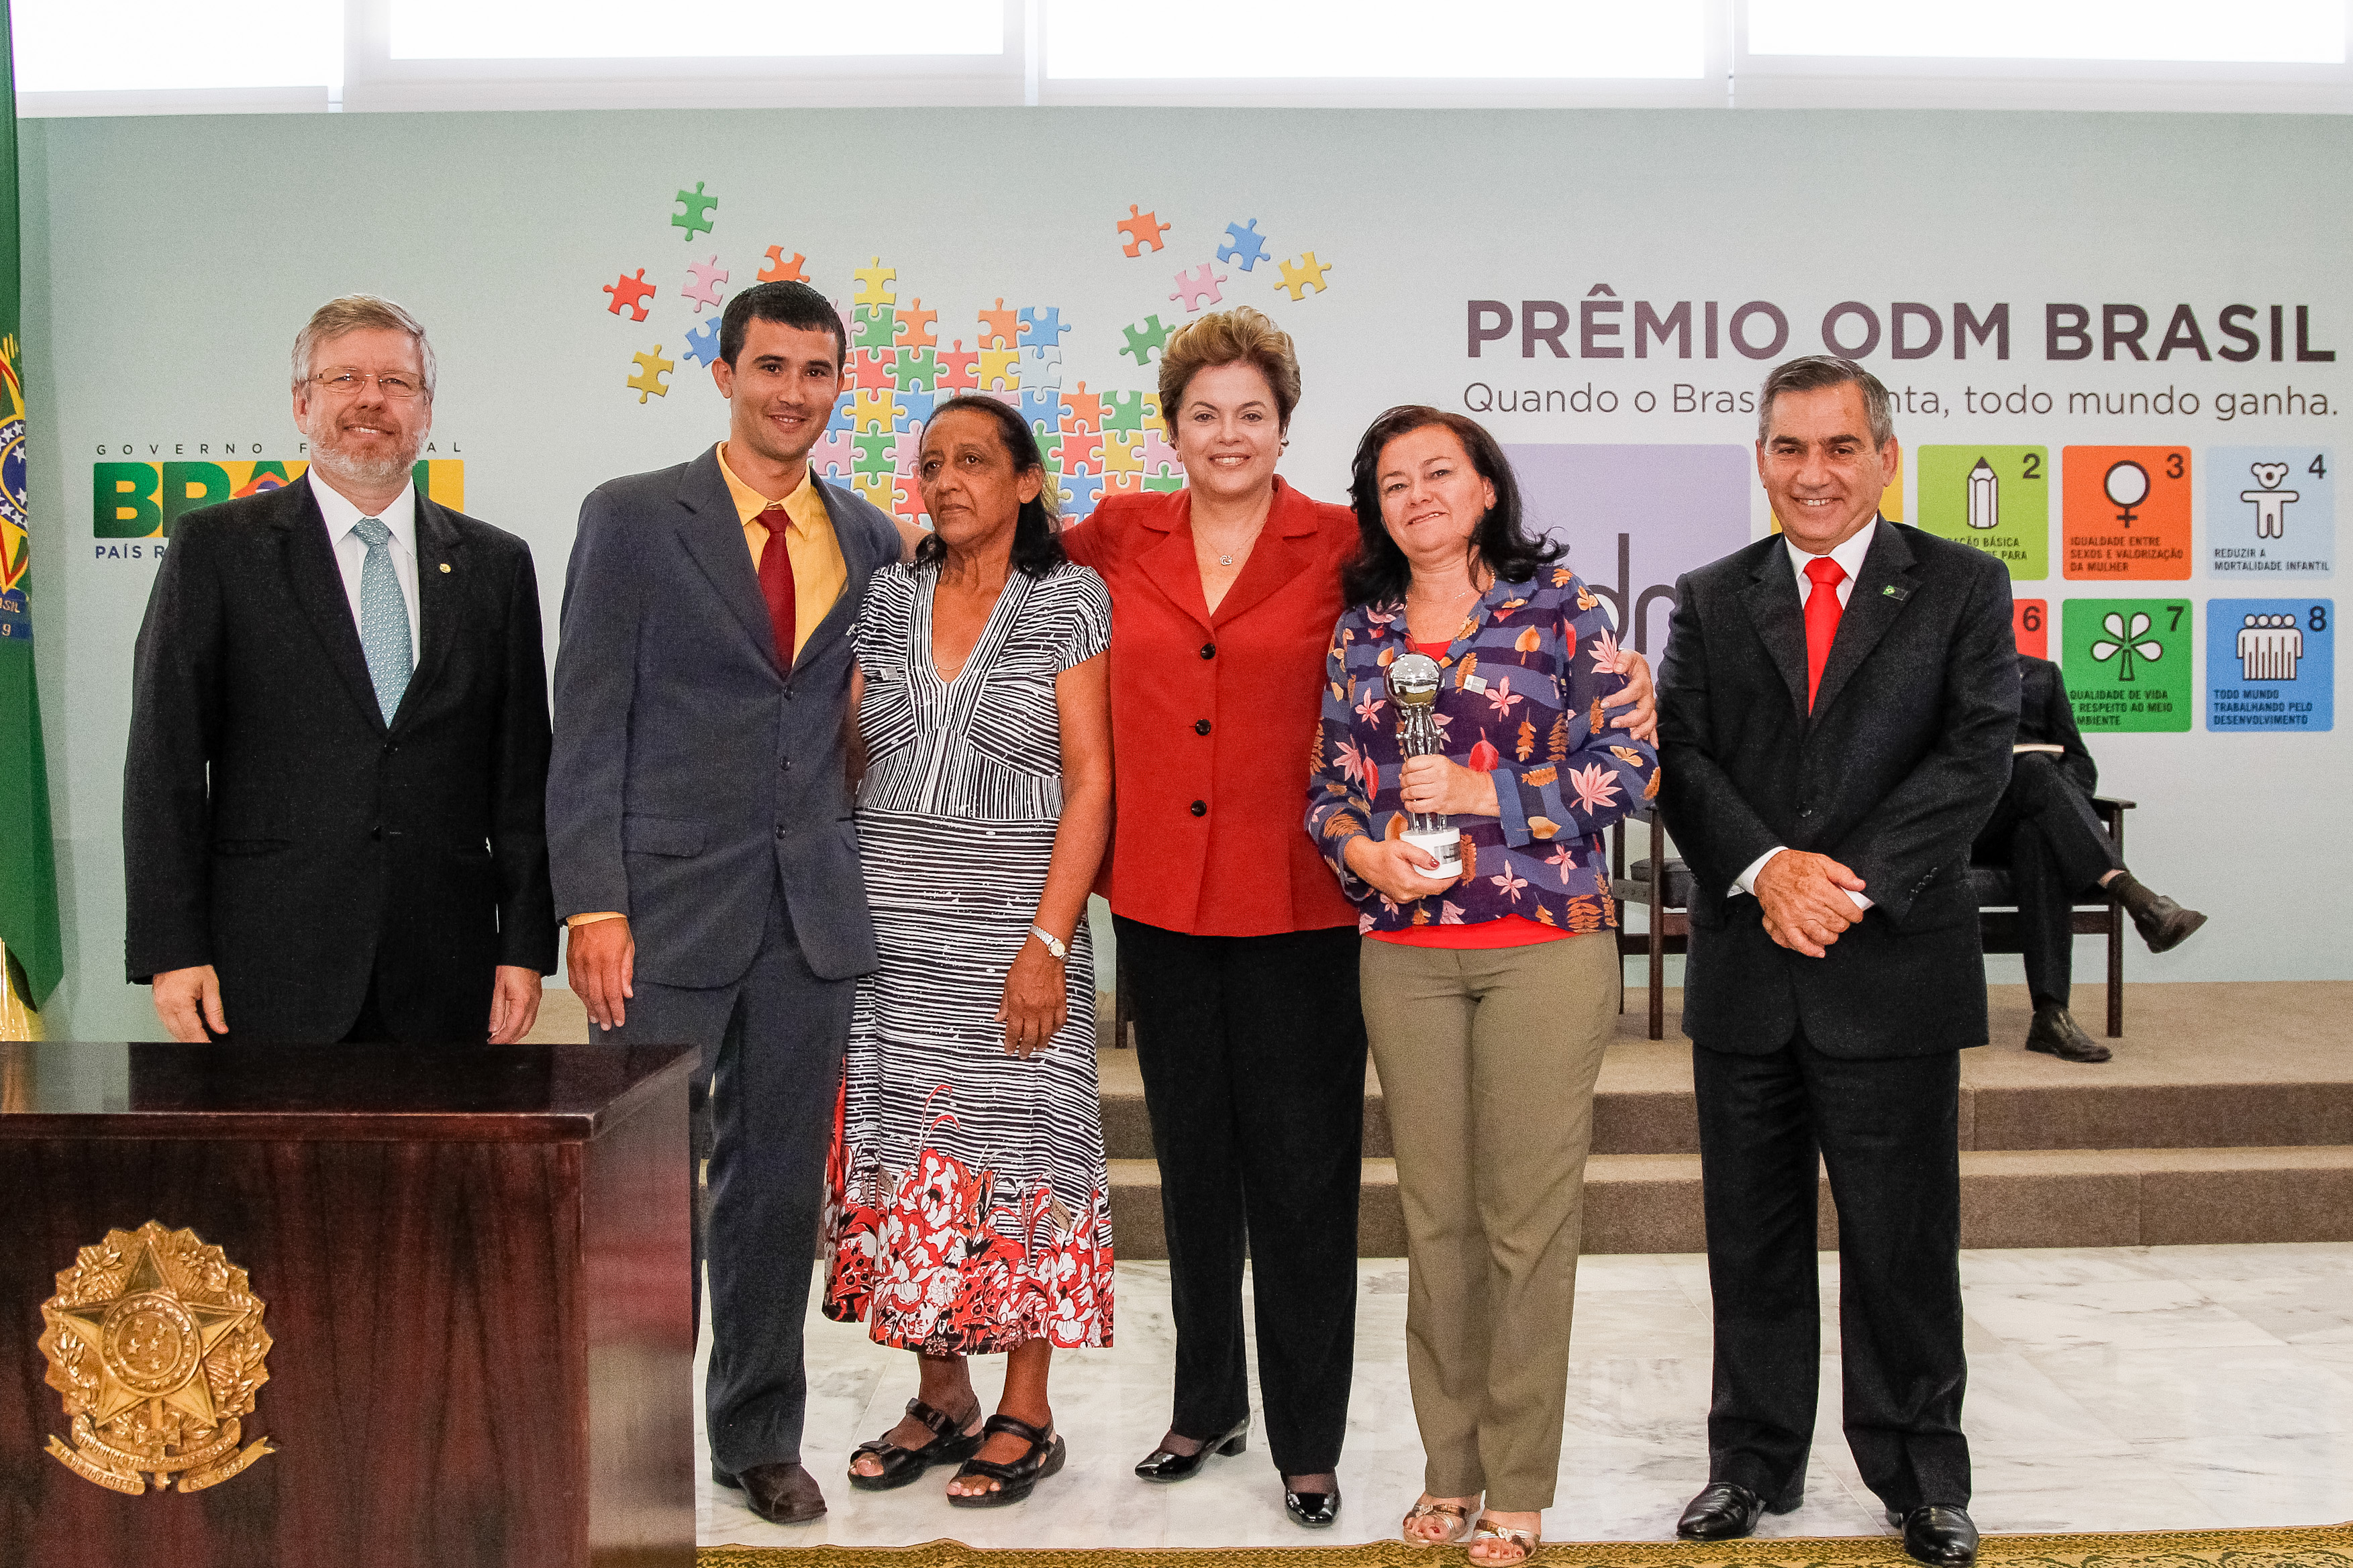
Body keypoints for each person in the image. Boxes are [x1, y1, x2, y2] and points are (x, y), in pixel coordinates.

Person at [1058, 307, 1657, 1530]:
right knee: (1194, 1170)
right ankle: (1205, 1400)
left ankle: (1313, 1438)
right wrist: (906, 539)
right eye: (1203, 413)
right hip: (1178, 895)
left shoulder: (1347, 548)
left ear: (1285, 426)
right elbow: (1007, 557)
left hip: (1311, 909)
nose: (1228, 434)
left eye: (1253, 413)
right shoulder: (1122, 532)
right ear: (1170, 428)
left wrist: (1619, 697)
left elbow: (1616, 747)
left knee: (1307, 1176)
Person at [546, 280, 914, 1527]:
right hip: (661, 914)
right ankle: (631, 1431)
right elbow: (588, 715)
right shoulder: (637, 517)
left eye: (816, 372)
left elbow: (856, 723)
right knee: (645, 1194)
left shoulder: (867, 538)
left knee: (773, 1195)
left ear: (835, 387)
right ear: (723, 372)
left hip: (809, 916)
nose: (792, 393)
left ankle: (756, 1435)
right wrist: (591, 901)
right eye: (770, 367)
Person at [1656, 356, 2017, 1568]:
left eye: (1839, 448)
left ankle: (1923, 1474)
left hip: (1890, 968)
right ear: (1761, 458)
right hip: (1751, 972)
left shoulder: (1963, 586)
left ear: (1884, 456)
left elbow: (1973, 760)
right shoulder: (1708, 597)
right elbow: (1682, 761)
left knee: (1902, 1240)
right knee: (1748, 1238)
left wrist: (1835, 884)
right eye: (1789, 448)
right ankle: (1750, 1463)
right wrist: (1769, 873)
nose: (1814, 473)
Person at [1306, 407, 1658, 1567]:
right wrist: (1361, 852)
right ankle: (1446, 1467)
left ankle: (1518, 1480)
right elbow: (1329, 794)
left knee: (1525, 1225)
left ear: (1486, 488)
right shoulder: (1360, 634)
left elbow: (1627, 771)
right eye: (1393, 481)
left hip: (1542, 947)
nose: (1417, 495)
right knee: (1434, 1220)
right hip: (1404, 955)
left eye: (1438, 472)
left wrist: (1480, 795)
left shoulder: (1563, 613)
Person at [820, 395, 1113, 1507]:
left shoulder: (1067, 599)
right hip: (892, 933)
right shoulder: (885, 597)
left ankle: (1028, 1411)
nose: (948, 479)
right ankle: (942, 1392)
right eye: (932, 461)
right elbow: (846, 750)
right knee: (909, 1159)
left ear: (1028, 480)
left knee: (1024, 1158)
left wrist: (1047, 939)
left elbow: (1091, 778)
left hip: (1016, 933)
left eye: (976, 460)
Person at [123, 294, 554, 1045]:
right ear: (301, 402)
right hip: (267, 963)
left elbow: (521, 777)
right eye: (344, 378)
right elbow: (164, 760)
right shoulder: (218, 549)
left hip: (447, 965)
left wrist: (522, 947)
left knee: (441, 1168)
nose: (371, 400)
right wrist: (173, 950)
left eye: (396, 383)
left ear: (425, 410)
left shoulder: (495, 564)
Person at [1976, 652, 2207, 1063]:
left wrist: (2057, 798)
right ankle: (2134, 895)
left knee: (2038, 832)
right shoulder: (1943, 667)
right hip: (1976, 820)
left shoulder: (2042, 674)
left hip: (2033, 815)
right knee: (2030, 768)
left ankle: (2050, 1015)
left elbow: (2080, 763)